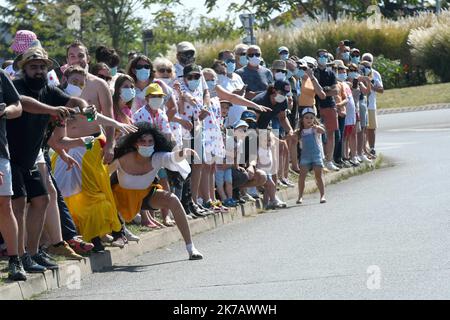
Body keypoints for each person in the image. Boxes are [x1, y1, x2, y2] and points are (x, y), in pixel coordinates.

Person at [110, 122, 203, 260]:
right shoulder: (122, 159)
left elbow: (170, 157)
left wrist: (184, 153)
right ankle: (115, 233)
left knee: (173, 200)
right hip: (119, 199)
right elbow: (102, 176)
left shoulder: (157, 157)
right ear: (135, 143)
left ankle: (191, 248)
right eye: (143, 141)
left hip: (146, 195)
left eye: (150, 141)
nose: (147, 145)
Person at [0, 68, 26, 281]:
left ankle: (14, 260)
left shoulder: (0, 75)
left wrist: (5, 111)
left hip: (1, 152)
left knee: (4, 205)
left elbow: (18, 106)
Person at [314, 49, 340, 172]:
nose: (323, 58)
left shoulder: (331, 74)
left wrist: (323, 92)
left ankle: (329, 161)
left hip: (329, 106)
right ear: (317, 57)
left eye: (325, 55)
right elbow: (314, 91)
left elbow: (335, 91)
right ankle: (320, 161)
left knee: (330, 133)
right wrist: (323, 92)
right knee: (317, 134)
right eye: (321, 56)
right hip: (316, 107)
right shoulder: (313, 73)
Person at [296, 108, 326, 205]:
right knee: (302, 176)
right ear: (302, 119)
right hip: (305, 156)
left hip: (316, 155)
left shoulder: (315, 129)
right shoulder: (300, 132)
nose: (309, 120)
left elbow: (323, 131)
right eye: (306, 118)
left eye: (311, 118)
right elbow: (293, 137)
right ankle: (300, 196)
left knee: (318, 176)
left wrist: (317, 127)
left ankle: (322, 195)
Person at [362, 53, 383, 157]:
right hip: (361, 104)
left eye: (368, 60)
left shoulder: (375, 74)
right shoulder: (358, 72)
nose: (366, 62)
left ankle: (372, 148)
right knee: (363, 128)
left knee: (371, 128)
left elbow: (381, 89)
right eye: (364, 60)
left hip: (371, 105)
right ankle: (363, 149)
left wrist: (371, 84)